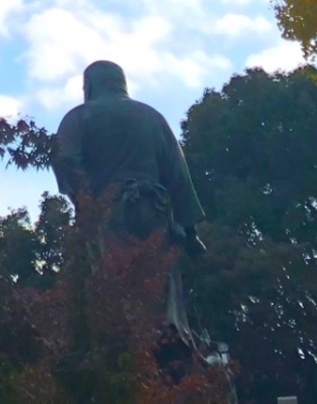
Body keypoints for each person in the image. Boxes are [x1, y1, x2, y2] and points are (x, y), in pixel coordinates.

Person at [53, 60, 205, 348]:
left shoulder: (79, 117)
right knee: (160, 286)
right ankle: (169, 342)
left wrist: (86, 202)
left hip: (110, 211)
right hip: (157, 211)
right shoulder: (152, 117)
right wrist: (192, 232)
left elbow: (65, 159)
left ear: (90, 85)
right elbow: (178, 175)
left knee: (111, 286)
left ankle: (121, 348)